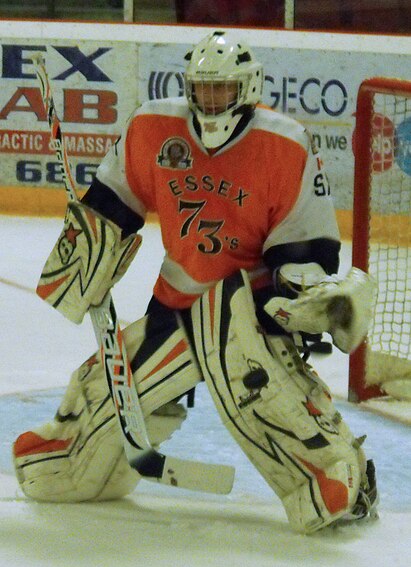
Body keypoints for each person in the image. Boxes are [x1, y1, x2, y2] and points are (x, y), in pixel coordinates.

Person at [13, 31, 378, 534]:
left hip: (244, 302)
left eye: (223, 89)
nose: (211, 101)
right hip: (177, 300)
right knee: (111, 392)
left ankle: (338, 475)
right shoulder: (155, 127)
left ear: (248, 89)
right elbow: (114, 201)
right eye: (203, 89)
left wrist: (293, 299)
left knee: (261, 388)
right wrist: (90, 246)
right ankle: (75, 456)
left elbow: (304, 245)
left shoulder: (284, 143)